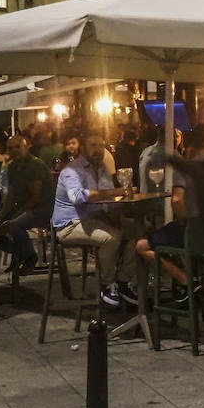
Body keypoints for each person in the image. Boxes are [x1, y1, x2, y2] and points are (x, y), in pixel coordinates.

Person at [134, 124, 204, 333]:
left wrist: (184, 222)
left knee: (142, 245)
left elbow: (177, 200)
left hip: (193, 232)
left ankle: (186, 280)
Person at [52, 131, 138, 308]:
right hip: (70, 224)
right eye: (93, 146)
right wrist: (115, 193)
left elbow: (106, 202)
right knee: (111, 237)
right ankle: (107, 285)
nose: (98, 150)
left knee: (138, 230)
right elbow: (77, 197)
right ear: (83, 149)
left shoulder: (102, 169)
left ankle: (123, 281)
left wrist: (123, 205)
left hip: (95, 219)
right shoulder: (71, 171)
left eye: (101, 146)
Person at [0, 135, 53, 274]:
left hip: (43, 208)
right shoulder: (13, 166)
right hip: (24, 207)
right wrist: (0, 218)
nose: (14, 150)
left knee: (14, 225)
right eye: (10, 148)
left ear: (25, 147)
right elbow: (11, 196)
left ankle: (30, 257)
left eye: (17, 146)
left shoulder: (34, 164)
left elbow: (35, 197)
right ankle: (19, 251)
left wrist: (13, 216)